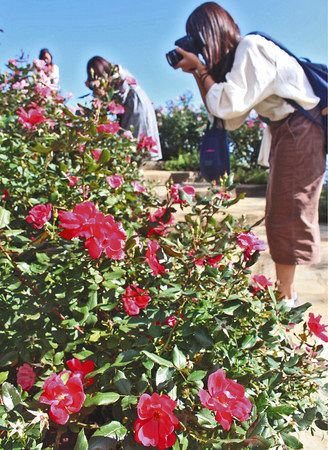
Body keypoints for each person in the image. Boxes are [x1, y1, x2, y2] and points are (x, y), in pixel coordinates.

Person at [174, 2, 326, 304]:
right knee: (280, 211)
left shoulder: (252, 47)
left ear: (209, 33)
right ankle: (286, 294)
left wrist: (202, 70)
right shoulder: (240, 59)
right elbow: (230, 118)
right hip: (286, 130)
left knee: (288, 211)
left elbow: (227, 106)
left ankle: (286, 298)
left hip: (299, 128)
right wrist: (197, 73)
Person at [86, 56, 162, 160]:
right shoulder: (115, 75)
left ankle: (140, 162)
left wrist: (102, 93)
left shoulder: (118, 75)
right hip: (133, 106)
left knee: (137, 139)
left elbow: (120, 98)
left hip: (136, 106)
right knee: (131, 139)